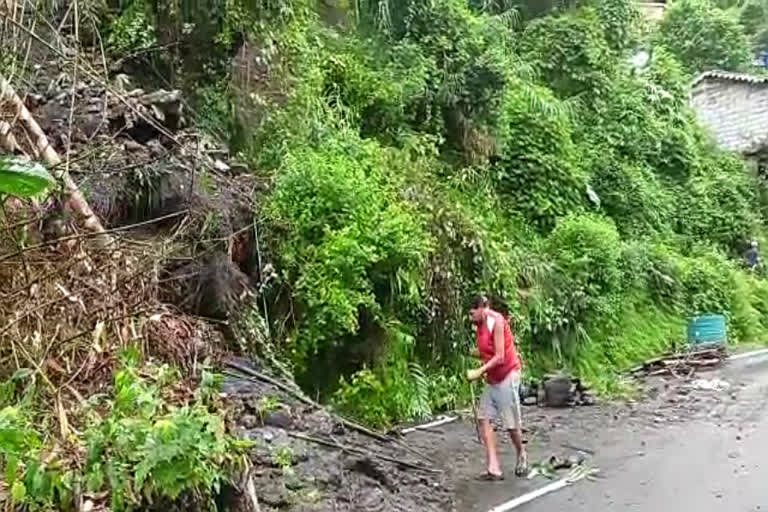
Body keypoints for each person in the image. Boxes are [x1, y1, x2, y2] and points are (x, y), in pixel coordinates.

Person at [466, 295, 527, 480]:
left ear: (483, 308)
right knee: (484, 419)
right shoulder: (478, 325)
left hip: (507, 374)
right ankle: (493, 467)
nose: (470, 317)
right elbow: (486, 351)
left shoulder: (497, 322)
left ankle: (521, 453)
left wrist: (478, 372)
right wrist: (469, 353)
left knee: (510, 424)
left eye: (472, 313)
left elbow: (499, 356)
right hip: (492, 379)